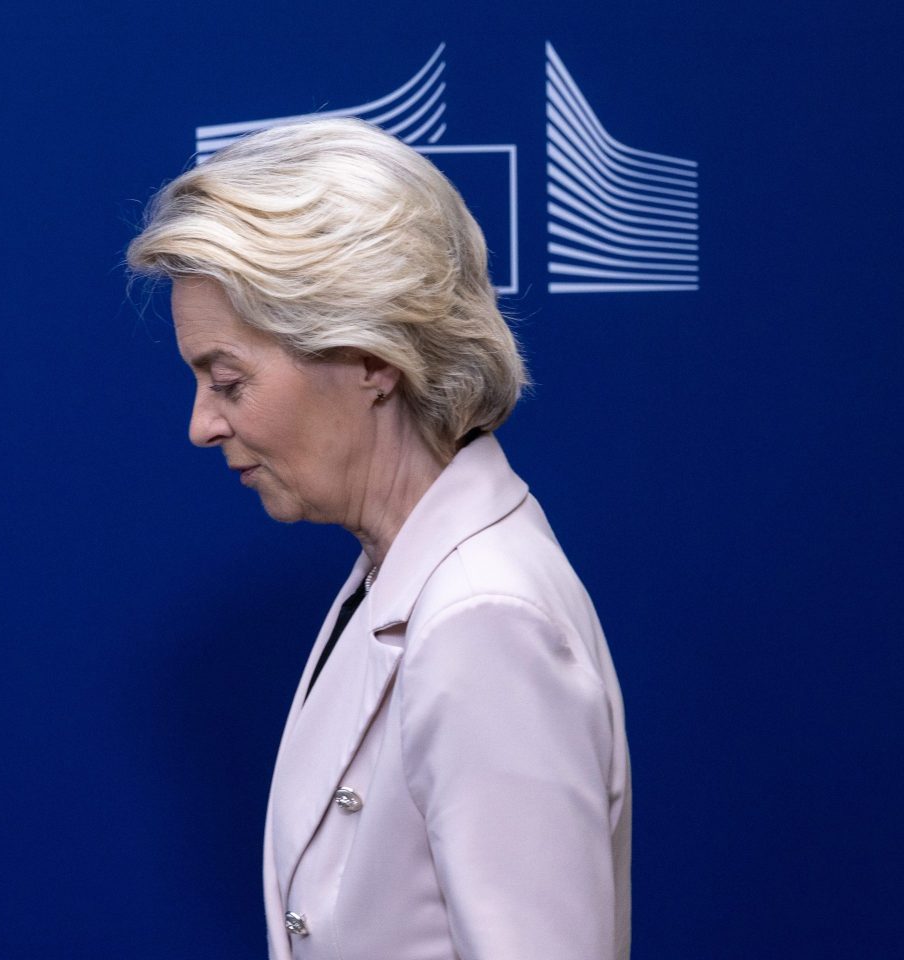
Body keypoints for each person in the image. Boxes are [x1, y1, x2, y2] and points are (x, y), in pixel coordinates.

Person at [127, 117, 631, 960]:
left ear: (372, 356)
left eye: (229, 380)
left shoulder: (483, 618)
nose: (201, 425)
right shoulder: (402, 573)